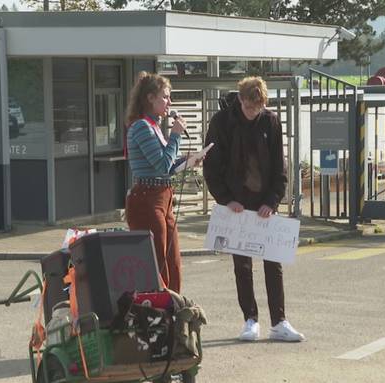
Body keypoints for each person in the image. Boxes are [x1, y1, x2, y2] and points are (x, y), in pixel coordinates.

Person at [203, 76, 305, 342]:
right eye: (249, 106)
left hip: (264, 203)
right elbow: (212, 167)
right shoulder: (221, 122)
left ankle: (279, 321)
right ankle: (250, 320)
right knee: (242, 265)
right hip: (236, 203)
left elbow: (279, 167)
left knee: (274, 262)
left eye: (257, 107)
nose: (252, 112)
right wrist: (226, 200)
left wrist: (272, 201)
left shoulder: (270, 121)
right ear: (240, 99)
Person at [125, 71, 191, 294]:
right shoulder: (141, 127)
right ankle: (159, 312)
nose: (169, 102)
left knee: (173, 260)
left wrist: (190, 161)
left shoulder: (154, 127)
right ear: (150, 98)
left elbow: (167, 166)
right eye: (165, 97)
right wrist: (175, 136)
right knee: (158, 260)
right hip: (147, 199)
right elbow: (162, 165)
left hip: (164, 197)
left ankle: (174, 309)